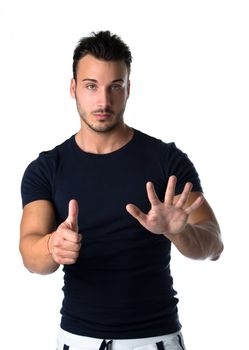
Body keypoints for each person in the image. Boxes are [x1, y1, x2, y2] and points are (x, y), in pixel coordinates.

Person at [19, 31, 224, 350]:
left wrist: (178, 233)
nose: (103, 101)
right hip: (78, 340)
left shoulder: (167, 161)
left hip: (155, 340)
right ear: (73, 89)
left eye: (115, 86)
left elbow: (213, 246)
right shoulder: (47, 167)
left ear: (128, 89)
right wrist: (51, 246)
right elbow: (29, 253)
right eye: (91, 86)